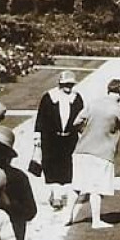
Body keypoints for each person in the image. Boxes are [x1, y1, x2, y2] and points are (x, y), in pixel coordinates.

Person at [68, 77, 120, 229]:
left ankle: (68, 218)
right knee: (96, 188)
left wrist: (86, 132)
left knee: (78, 186)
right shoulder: (118, 110)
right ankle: (96, 221)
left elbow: (76, 123)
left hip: (81, 150)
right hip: (102, 152)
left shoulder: (93, 104)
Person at [33, 70, 84, 210]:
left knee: (66, 166)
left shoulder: (76, 98)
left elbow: (81, 118)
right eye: (65, 84)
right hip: (51, 138)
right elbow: (41, 118)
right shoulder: (49, 97)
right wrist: (37, 137)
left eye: (70, 84)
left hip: (69, 138)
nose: (68, 87)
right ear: (60, 84)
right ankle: (56, 195)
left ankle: (61, 193)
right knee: (51, 166)